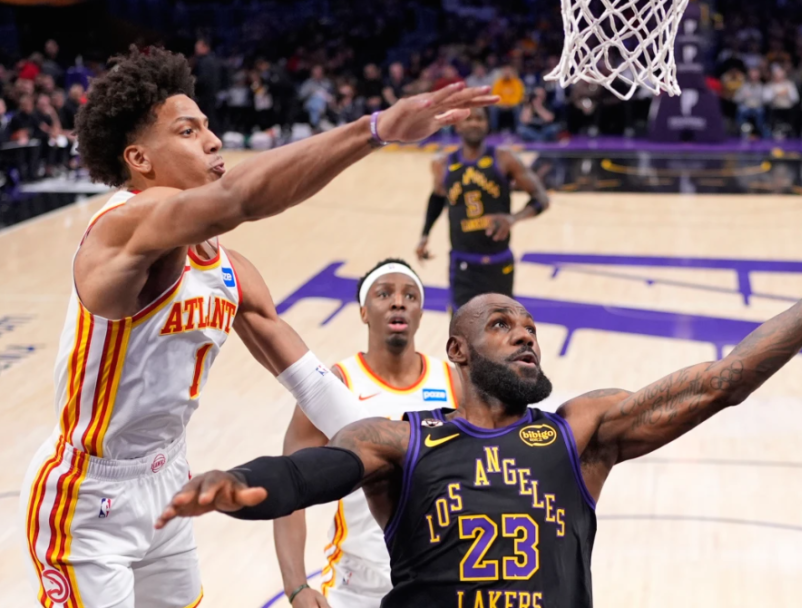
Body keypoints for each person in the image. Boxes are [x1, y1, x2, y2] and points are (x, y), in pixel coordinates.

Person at [158, 222, 802, 607]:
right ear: (458, 351)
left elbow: (723, 380)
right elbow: (309, 475)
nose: (525, 334)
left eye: (531, 326)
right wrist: (239, 483)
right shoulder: (404, 441)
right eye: (502, 324)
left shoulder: (578, 433)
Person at [18, 46, 496, 608]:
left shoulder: (229, 271)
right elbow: (239, 198)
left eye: (207, 126)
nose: (213, 140)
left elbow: (313, 385)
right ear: (139, 159)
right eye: (188, 131)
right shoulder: (119, 231)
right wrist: (375, 129)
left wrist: (411, 459)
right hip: (88, 493)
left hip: (167, 478)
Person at [274, 259, 461, 608]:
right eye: (384, 294)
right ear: (363, 311)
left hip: (437, 582)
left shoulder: (455, 384)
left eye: (410, 296)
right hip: (354, 588)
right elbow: (289, 487)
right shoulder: (337, 385)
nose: (398, 302)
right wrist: (296, 586)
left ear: (420, 313)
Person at [415, 107, 550, 312]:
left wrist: (513, 219)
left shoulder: (505, 159)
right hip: (463, 264)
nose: (474, 123)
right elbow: (437, 198)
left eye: (480, 119)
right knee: (461, 326)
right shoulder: (442, 164)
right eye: (468, 119)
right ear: (457, 125)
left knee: (502, 326)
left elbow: (541, 198)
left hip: (498, 262)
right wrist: (425, 235)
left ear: (487, 124)